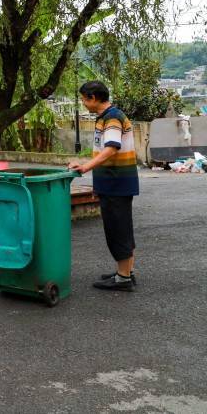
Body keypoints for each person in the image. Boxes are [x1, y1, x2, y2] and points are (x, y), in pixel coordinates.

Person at [67, 81, 139, 292]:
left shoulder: (112, 117)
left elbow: (111, 147)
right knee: (122, 227)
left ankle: (123, 278)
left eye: (83, 99)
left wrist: (86, 167)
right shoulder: (106, 117)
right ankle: (126, 271)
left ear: (93, 98)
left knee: (118, 228)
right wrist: (84, 163)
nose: (83, 103)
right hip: (113, 181)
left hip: (116, 182)